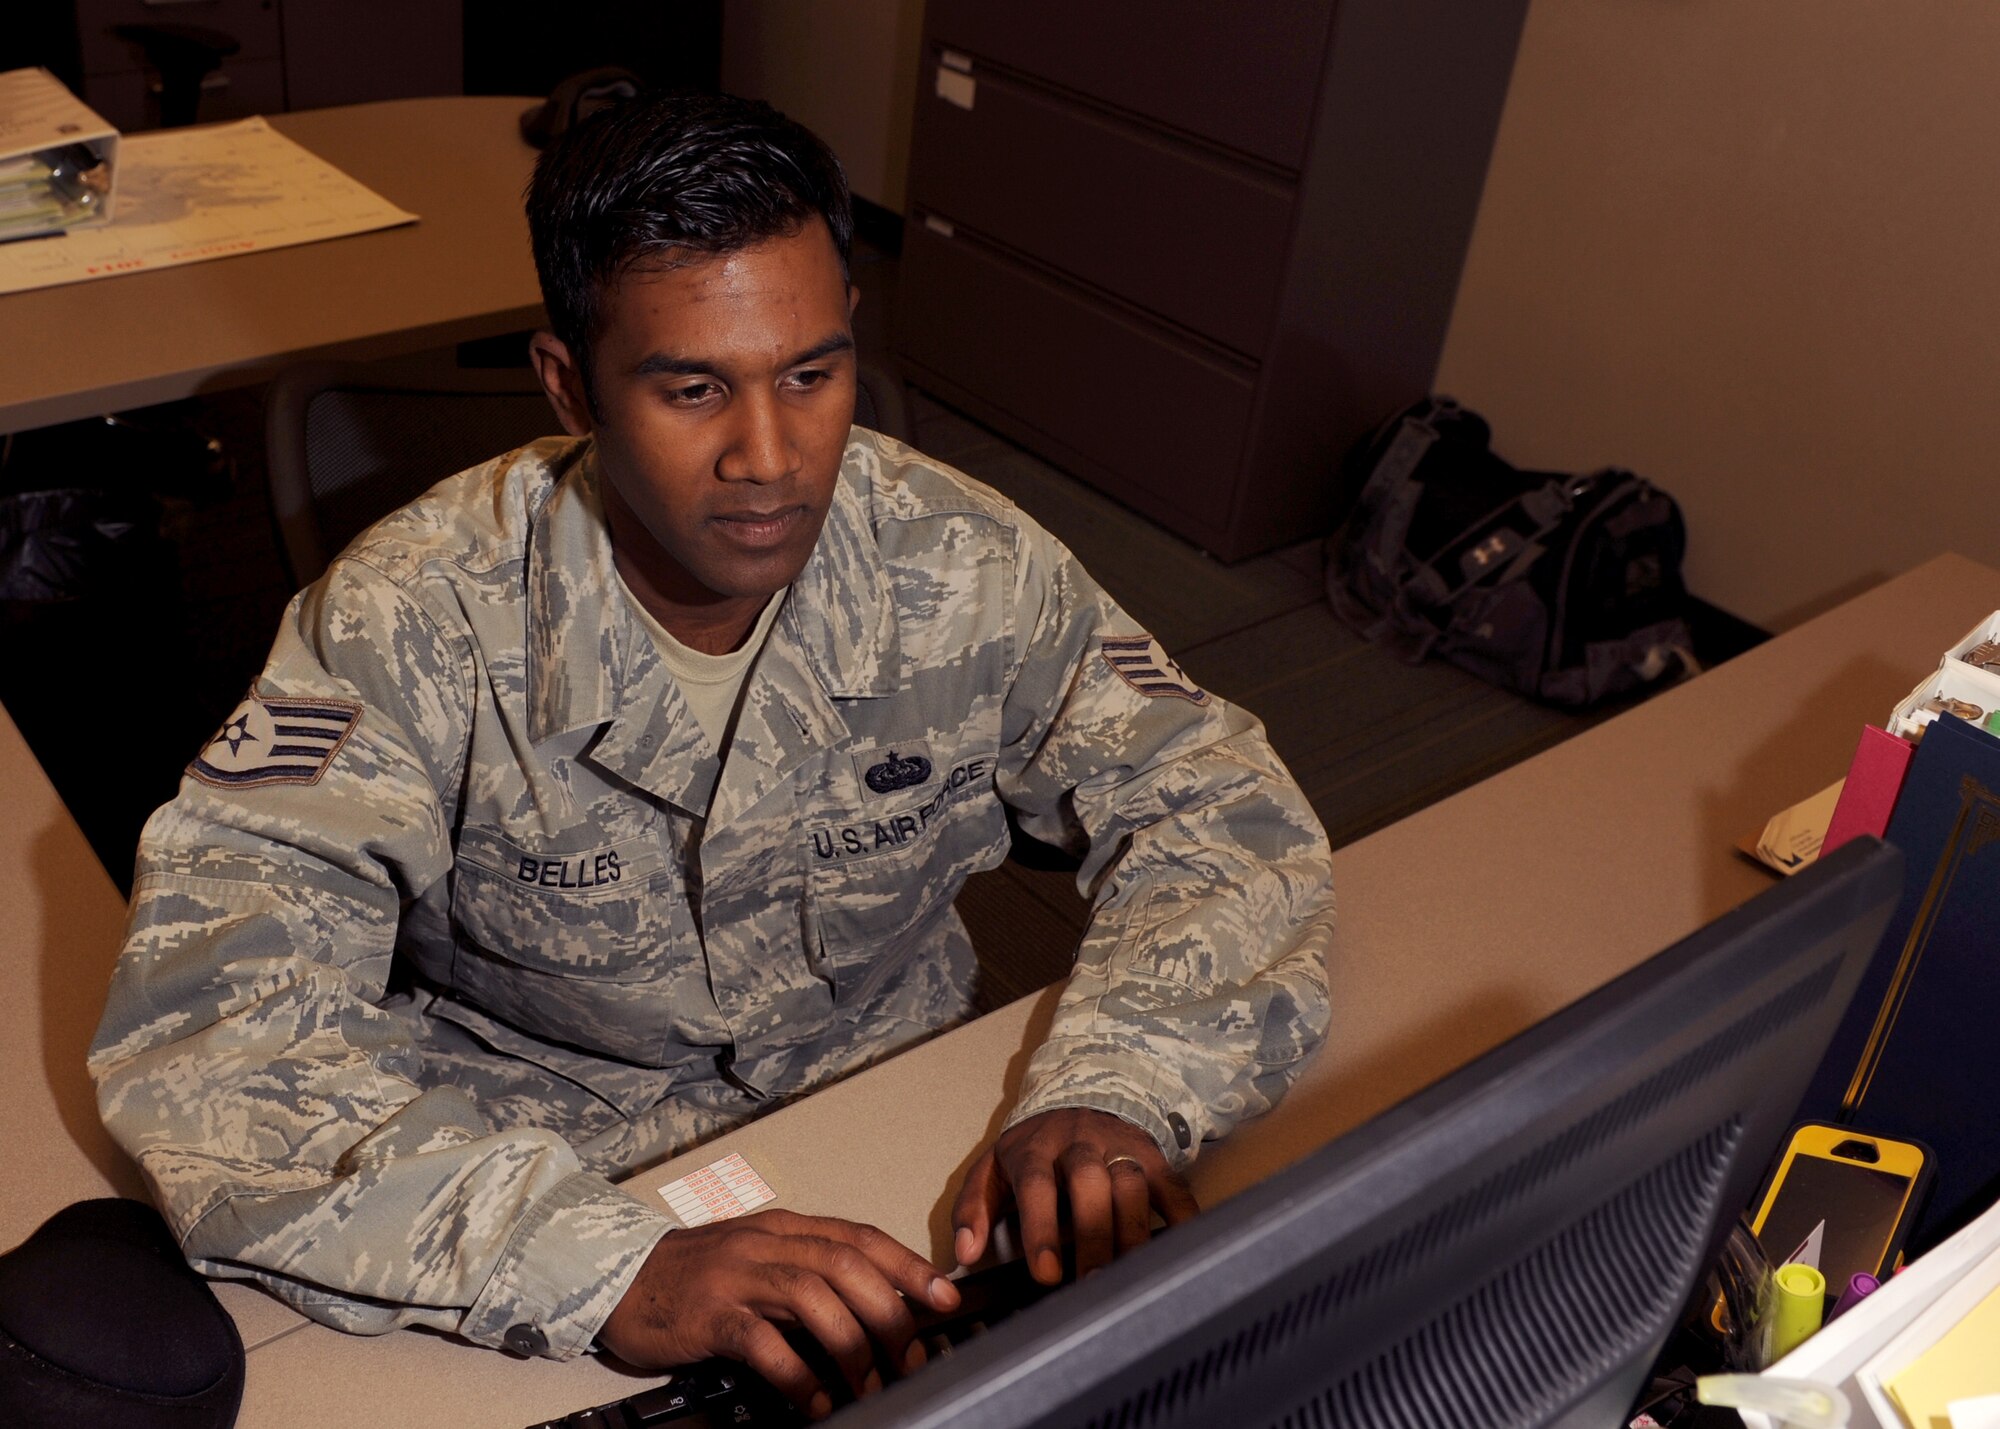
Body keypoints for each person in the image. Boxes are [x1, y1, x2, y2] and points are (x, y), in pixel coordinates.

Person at [89, 92, 1335, 1419]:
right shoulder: (412, 624)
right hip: (546, 1171)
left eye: (814, 370)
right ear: (570, 384)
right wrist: (596, 1263)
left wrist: (1123, 1084)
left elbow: (1218, 804)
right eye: (695, 388)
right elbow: (205, 1038)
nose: (775, 455)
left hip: (910, 1128)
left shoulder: (961, 562)